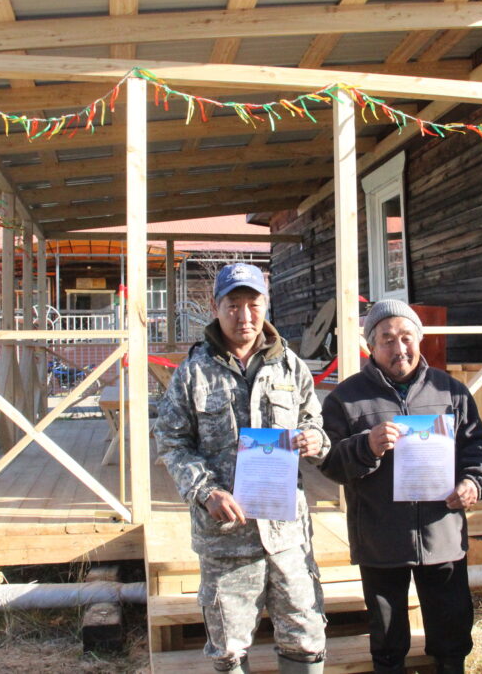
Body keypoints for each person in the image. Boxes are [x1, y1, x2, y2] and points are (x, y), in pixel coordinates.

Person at [154, 263, 330, 674]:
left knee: (305, 638)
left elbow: (315, 422)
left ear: (266, 305)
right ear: (215, 307)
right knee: (228, 648)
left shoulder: (290, 366)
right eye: (233, 305)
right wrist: (205, 491)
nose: (244, 316)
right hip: (226, 539)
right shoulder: (193, 372)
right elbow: (171, 441)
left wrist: (314, 440)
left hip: (287, 536)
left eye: (253, 304)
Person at [320, 299, 482, 674]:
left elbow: (476, 447)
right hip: (380, 538)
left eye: (406, 337)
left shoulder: (451, 392)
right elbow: (329, 463)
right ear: (371, 345)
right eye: (387, 339)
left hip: (442, 533)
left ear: (419, 338)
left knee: (452, 633)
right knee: (388, 639)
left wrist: (472, 482)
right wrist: (366, 446)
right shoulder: (346, 399)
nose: (399, 348)